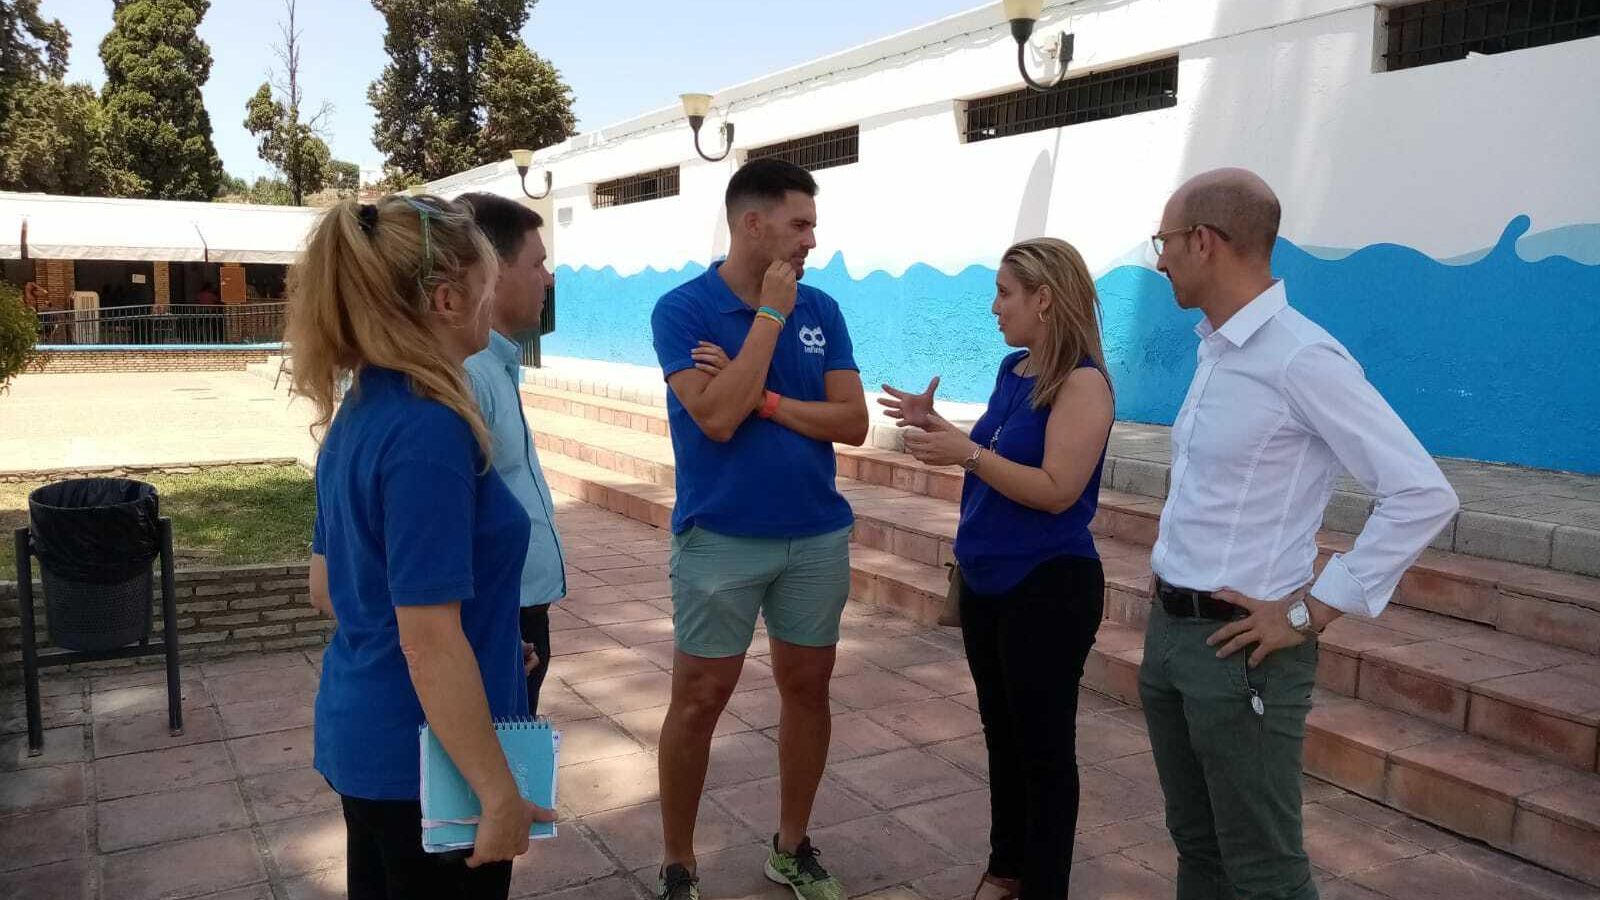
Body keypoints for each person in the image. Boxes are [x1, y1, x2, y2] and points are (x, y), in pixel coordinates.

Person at [1140, 168, 1458, 900]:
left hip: (1242, 650)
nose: (1159, 260)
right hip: (1172, 636)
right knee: (1198, 845)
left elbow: (1419, 492)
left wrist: (1311, 610)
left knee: (1264, 869)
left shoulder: (1301, 356)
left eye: (1165, 242)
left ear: (1203, 241)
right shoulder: (1216, 348)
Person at [289, 194, 554, 900]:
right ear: (446, 300)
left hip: (370, 738)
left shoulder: (365, 408)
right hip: (426, 767)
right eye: (487, 288)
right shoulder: (429, 432)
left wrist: (492, 640)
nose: (495, 302)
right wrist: (498, 794)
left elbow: (330, 589)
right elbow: (429, 640)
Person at [648, 157, 868, 900]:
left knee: (809, 688)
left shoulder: (826, 310)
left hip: (814, 535)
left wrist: (763, 395)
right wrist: (770, 318)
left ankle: (792, 845)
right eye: (799, 224)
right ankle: (679, 862)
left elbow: (854, 422)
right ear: (753, 223)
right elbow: (713, 418)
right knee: (701, 697)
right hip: (720, 538)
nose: (812, 240)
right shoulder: (682, 310)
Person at [880, 238, 1115, 900]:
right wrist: (942, 427)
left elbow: (1056, 488)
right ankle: (1005, 869)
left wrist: (966, 455)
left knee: (1043, 752)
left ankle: (1042, 887)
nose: (993, 307)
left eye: (1005, 293)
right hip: (987, 582)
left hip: (1048, 587)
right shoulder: (1015, 369)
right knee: (1003, 739)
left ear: (1045, 299)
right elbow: (997, 450)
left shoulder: (1084, 383)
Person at [460, 192, 566, 716]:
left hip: (516, 613)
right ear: (492, 272)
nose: (548, 279)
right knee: (496, 778)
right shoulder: (470, 375)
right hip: (495, 617)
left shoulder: (495, 364)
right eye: (537, 262)